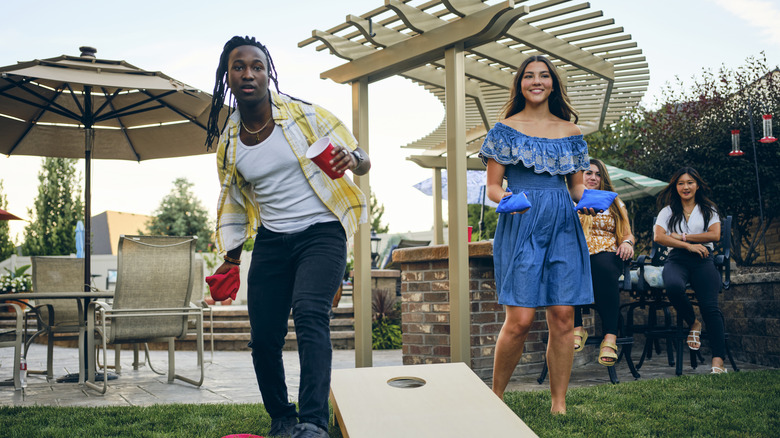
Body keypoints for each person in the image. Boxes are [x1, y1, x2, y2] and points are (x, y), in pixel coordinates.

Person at [205, 36, 370, 438]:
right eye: (239, 66)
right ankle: (282, 416)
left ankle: (314, 421)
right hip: (272, 239)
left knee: (311, 313)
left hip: (322, 231)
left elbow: (362, 159)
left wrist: (353, 159)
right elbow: (235, 202)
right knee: (263, 337)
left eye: (257, 66)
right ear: (227, 77)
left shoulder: (303, 115)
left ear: (268, 73)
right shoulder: (228, 143)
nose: (249, 73)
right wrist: (229, 258)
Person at [480, 55, 595, 414]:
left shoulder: (571, 133)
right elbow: (493, 188)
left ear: (553, 84)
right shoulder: (504, 129)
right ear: (520, 84)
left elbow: (576, 190)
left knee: (563, 315)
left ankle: (558, 403)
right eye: (529, 76)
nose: (536, 81)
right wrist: (510, 201)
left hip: (562, 222)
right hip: (522, 220)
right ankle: (496, 397)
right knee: (521, 320)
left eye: (544, 76)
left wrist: (592, 202)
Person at [653, 167, 727, 374]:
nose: (685, 187)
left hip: (703, 260)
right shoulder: (667, 211)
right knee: (674, 287)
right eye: (681, 183)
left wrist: (683, 237)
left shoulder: (708, 209)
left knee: (710, 308)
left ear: (697, 185)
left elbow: (714, 235)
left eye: (690, 182)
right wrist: (687, 245)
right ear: (675, 187)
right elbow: (659, 237)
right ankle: (693, 323)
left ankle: (718, 362)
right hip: (677, 258)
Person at [572, 159, 635, 366]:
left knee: (603, 266)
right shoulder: (570, 200)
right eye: (588, 173)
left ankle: (610, 336)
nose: (593, 178)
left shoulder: (615, 202)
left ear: (603, 178)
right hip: (578, 253)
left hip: (607, 251)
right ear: (579, 176)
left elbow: (627, 234)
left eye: (598, 174)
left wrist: (626, 242)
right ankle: (577, 326)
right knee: (568, 266)